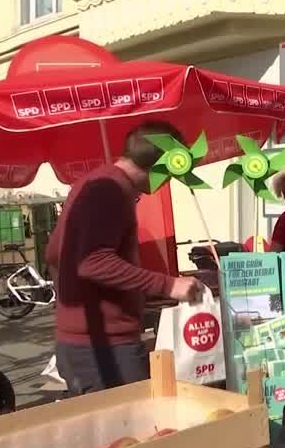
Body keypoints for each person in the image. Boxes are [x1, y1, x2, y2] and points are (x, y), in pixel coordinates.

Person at [46, 121, 203, 396]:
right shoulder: (110, 190)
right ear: (163, 164)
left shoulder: (97, 183)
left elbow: (54, 254)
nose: (173, 179)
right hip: (104, 347)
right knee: (135, 422)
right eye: (175, 168)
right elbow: (92, 261)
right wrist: (168, 285)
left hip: (85, 343)